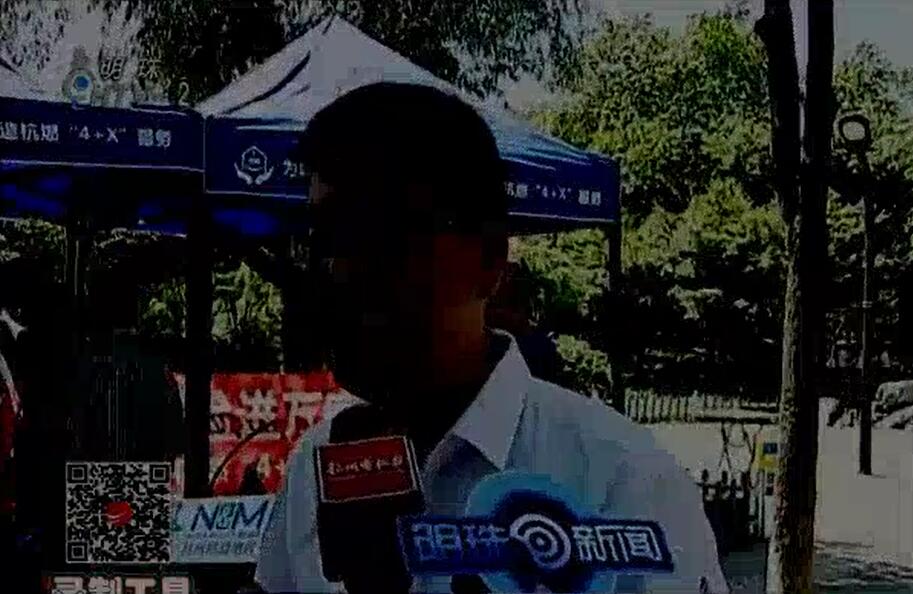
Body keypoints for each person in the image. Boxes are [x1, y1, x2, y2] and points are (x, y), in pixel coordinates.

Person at [255, 82, 728, 594]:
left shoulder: (623, 479)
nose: (341, 268)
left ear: (489, 258)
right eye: (324, 236)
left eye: (380, 233)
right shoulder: (313, 469)